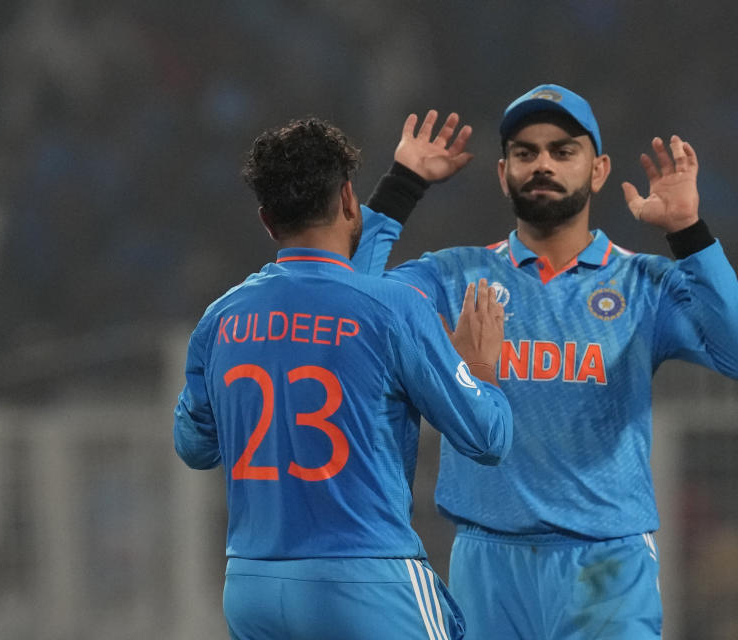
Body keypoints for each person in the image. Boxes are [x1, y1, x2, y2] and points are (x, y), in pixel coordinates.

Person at [357, 85, 738, 639]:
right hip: (489, 560)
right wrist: (400, 188)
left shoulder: (643, 282)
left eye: (562, 151)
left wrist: (688, 234)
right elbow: (349, 310)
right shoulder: (454, 276)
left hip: (606, 560)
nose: (542, 164)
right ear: (503, 173)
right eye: (525, 153)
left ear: (598, 170)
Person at [172, 115, 513, 640]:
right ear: (349, 199)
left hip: (253, 586)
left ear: (266, 220)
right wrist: (480, 367)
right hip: (366, 582)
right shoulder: (393, 309)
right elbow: (488, 438)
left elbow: (193, 446)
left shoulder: (220, 318)